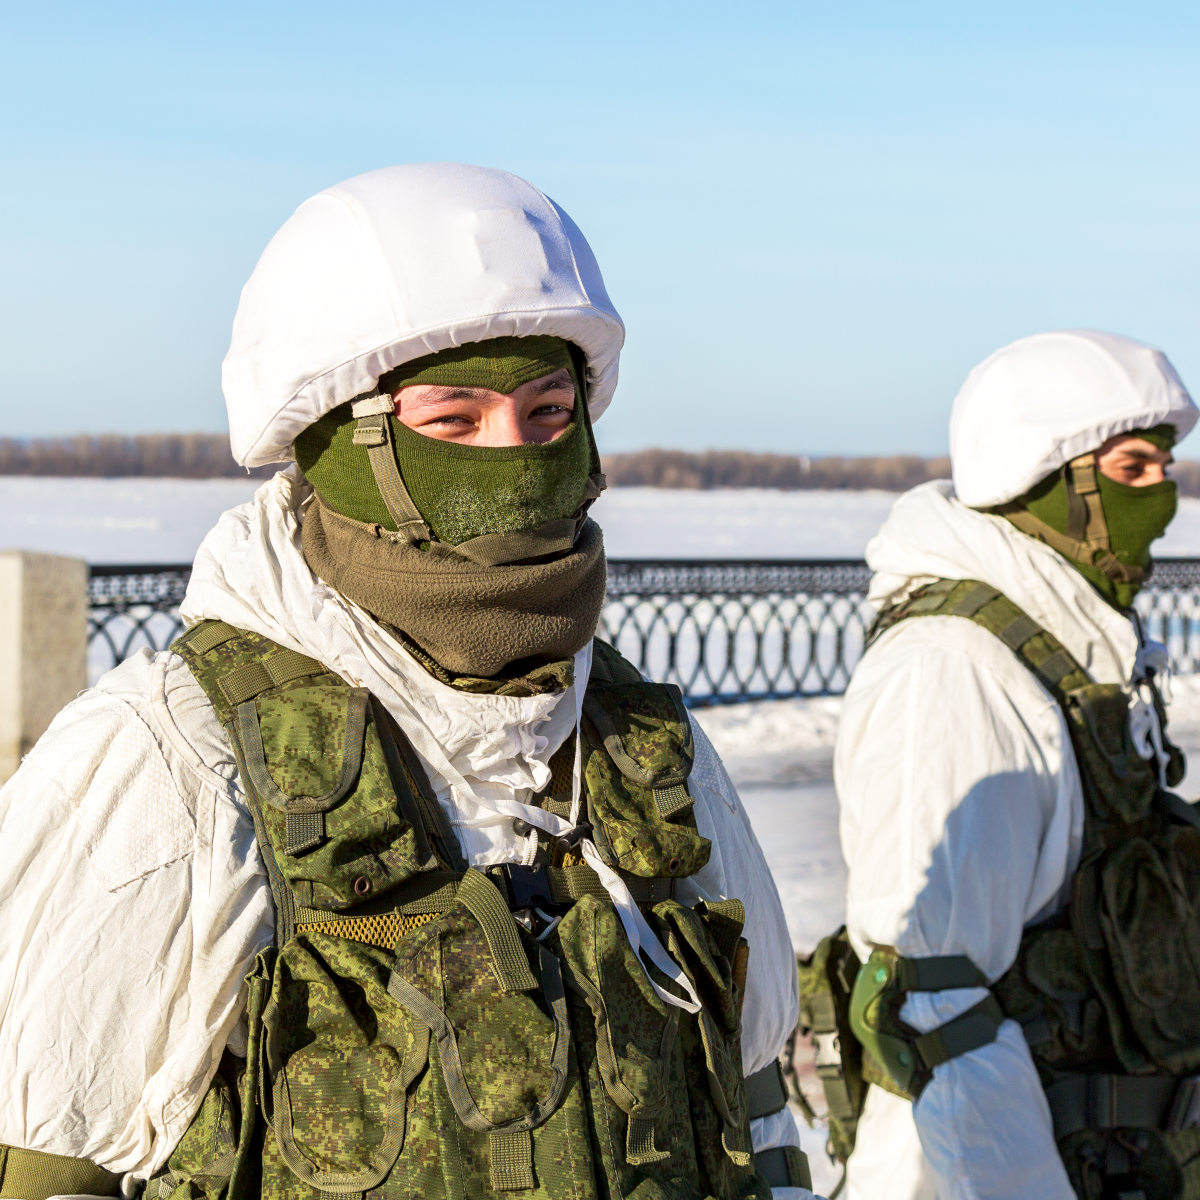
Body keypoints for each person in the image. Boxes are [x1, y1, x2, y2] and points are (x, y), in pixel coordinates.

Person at [0, 164, 814, 1199]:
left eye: (548, 413)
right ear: (342, 444)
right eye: (455, 421)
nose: (515, 463)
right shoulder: (169, 757)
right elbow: (46, 1160)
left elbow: (753, 1110)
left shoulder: (632, 745)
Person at [833, 329, 1200, 1199]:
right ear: (1047, 482)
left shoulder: (1069, 657)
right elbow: (932, 1008)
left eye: (1167, 468)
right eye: (1135, 468)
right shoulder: (950, 672)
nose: (1165, 498)